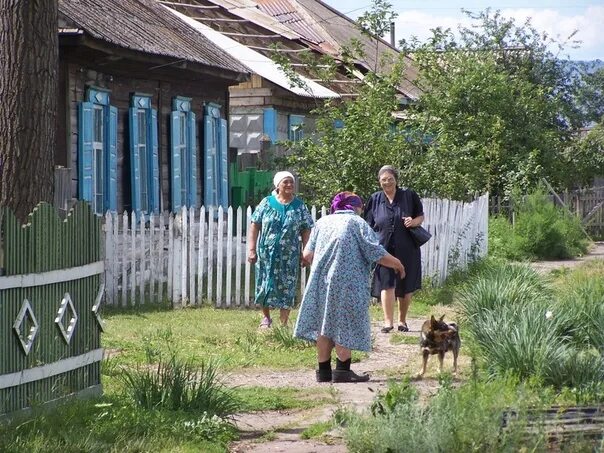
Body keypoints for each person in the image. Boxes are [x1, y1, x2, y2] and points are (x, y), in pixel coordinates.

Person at [294, 192, 405, 383]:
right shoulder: (357, 223)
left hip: (320, 281)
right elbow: (376, 252)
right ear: (354, 207)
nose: (361, 210)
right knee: (343, 322)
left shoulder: (321, 223)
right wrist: (398, 264)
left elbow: (307, 254)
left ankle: (323, 371)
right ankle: (343, 371)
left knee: (324, 322)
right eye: (360, 206)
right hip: (347, 283)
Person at [248, 171, 313, 328]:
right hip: (266, 253)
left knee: (287, 286)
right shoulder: (267, 203)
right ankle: (266, 318)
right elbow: (255, 225)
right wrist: (251, 249)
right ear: (277, 185)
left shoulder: (299, 206)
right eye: (285, 182)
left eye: (291, 182)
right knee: (265, 283)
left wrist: (306, 252)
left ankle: (283, 323)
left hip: (289, 254)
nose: (289, 185)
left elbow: (306, 230)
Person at [364, 165, 424, 334]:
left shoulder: (409, 195)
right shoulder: (375, 199)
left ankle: (402, 321)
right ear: (379, 182)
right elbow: (368, 224)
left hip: (407, 247)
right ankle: (387, 322)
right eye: (383, 179)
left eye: (390, 179)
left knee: (405, 284)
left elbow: (420, 215)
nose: (387, 182)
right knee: (386, 283)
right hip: (383, 248)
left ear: (396, 180)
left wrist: (413, 222)